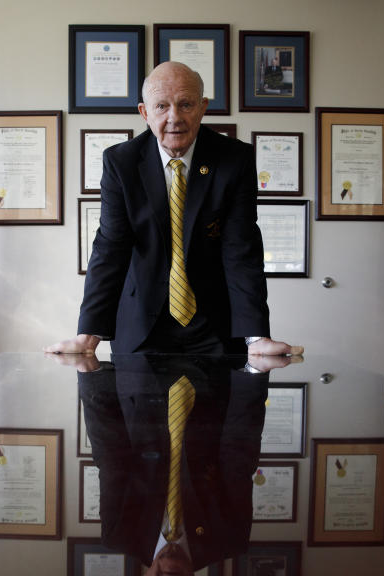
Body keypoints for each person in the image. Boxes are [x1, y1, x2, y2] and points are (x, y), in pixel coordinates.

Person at [45, 61, 303, 358]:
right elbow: (110, 247)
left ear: (203, 107)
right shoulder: (121, 163)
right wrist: (87, 336)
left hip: (215, 326)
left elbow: (241, 249)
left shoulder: (235, 159)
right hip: (140, 324)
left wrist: (256, 336)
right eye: (162, 107)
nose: (174, 118)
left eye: (185, 104)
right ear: (145, 113)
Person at [78, 354, 267, 576]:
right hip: (212, 375)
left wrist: (91, 376)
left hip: (142, 372)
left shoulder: (119, 534)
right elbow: (238, 454)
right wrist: (253, 373)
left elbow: (110, 454)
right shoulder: (230, 539)